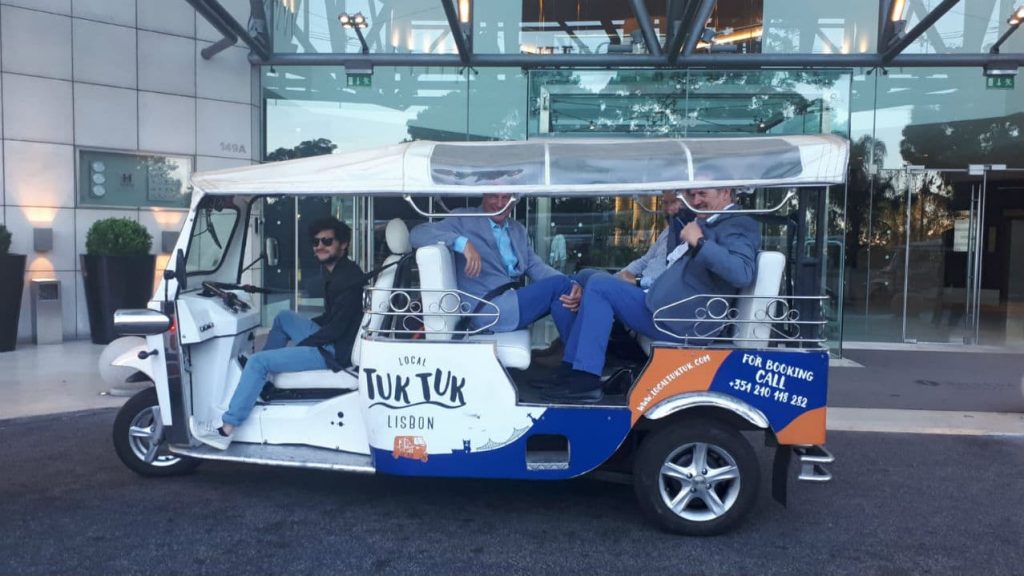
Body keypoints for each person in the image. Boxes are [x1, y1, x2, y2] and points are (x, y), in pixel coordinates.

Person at [547, 187, 761, 403]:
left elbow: (741, 273)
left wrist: (700, 243)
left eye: (702, 194)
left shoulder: (738, 223)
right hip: (667, 307)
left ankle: (585, 379)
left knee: (599, 286)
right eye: (691, 194)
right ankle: (570, 370)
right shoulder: (710, 219)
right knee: (589, 277)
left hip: (683, 320)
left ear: (725, 193)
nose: (695, 201)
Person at [193, 217, 364, 449]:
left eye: (327, 241)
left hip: (335, 351)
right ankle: (261, 383)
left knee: (257, 361)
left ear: (343, 244)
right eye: (316, 242)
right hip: (335, 338)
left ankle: (226, 429)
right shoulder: (339, 272)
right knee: (284, 317)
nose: (320, 246)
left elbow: (336, 328)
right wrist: (308, 329)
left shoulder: (347, 279)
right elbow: (331, 318)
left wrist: (304, 344)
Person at [409, 192, 581, 341]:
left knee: (575, 286)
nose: (499, 203)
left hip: (509, 303)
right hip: (486, 309)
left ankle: (563, 355)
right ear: (484, 195)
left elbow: (537, 267)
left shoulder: (517, 230)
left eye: (505, 197)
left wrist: (572, 284)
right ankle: (577, 365)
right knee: (563, 287)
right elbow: (417, 234)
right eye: (493, 196)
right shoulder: (463, 219)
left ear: (514, 200)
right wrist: (462, 243)